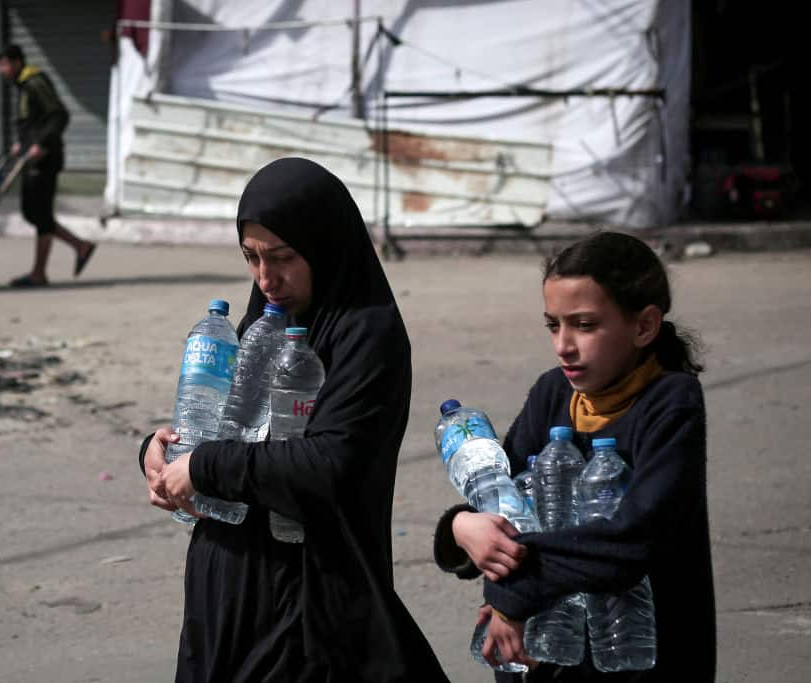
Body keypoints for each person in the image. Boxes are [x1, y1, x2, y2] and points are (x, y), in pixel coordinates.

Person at [141, 157, 450, 681]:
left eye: (282, 257)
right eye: (252, 258)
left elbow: (330, 464)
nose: (265, 279)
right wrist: (162, 450)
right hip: (228, 594)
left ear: (324, 245)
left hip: (307, 597)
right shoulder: (263, 321)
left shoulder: (364, 335)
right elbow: (231, 424)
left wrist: (205, 466)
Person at [433, 231, 715, 681]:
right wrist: (460, 528)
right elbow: (503, 502)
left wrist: (514, 592)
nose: (563, 344)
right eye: (553, 325)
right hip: (545, 653)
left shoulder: (669, 402)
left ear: (644, 326)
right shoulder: (553, 393)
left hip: (638, 657)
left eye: (584, 325)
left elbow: (632, 539)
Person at [0, 44, 96, 288]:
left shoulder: (35, 83)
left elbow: (60, 115)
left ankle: (40, 272)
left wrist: (40, 144)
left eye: (4, 64)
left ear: (17, 62)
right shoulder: (23, 86)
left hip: (45, 159)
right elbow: (34, 120)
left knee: (39, 214)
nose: (1, 70)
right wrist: (22, 143)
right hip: (32, 159)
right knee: (33, 212)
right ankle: (80, 247)